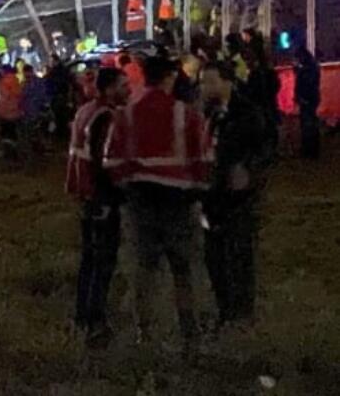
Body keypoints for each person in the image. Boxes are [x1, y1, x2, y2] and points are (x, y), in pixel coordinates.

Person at [104, 56, 213, 356]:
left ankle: (145, 335)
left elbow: (112, 162)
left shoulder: (126, 115)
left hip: (141, 202)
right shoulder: (186, 114)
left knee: (145, 271)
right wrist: (199, 193)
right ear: (169, 78)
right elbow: (203, 161)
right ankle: (190, 336)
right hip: (179, 202)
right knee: (183, 271)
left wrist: (129, 186)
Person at [201, 60, 274, 327]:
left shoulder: (248, 114)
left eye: (209, 81)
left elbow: (265, 150)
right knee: (214, 257)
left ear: (227, 81)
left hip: (239, 200)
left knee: (239, 255)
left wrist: (248, 171)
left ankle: (242, 313)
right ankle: (225, 310)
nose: (204, 87)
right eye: (202, 81)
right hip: (211, 197)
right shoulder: (207, 115)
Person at [66, 67, 130, 348]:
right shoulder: (107, 116)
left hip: (85, 194)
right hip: (100, 197)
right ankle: (95, 322)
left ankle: (82, 317)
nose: (128, 90)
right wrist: (113, 196)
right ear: (108, 89)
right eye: (123, 85)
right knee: (102, 262)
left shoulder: (85, 111)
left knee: (89, 260)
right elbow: (103, 162)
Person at [295, 46, 321, 160]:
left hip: (307, 99)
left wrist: (301, 97)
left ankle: (309, 150)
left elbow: (306, 84)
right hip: (311, 98)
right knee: (310, 124)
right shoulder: (313, 67)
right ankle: (311, 149)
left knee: (307, 125)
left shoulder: (308, 69)